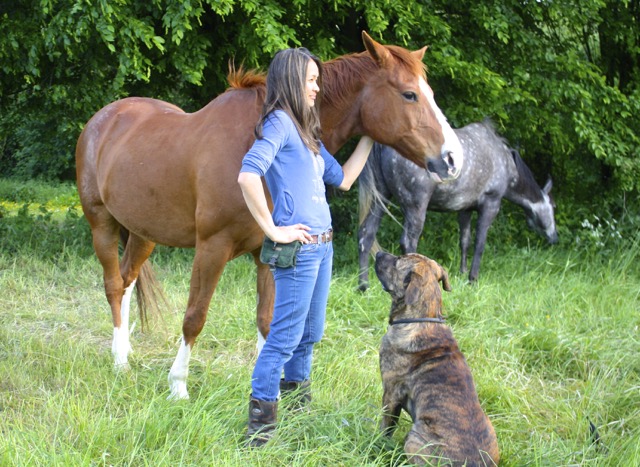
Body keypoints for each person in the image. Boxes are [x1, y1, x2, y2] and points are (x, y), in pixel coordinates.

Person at [237, 47, 373, 447]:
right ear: (292, 81)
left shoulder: (308, 134)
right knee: (283, 338)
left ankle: (296, 411)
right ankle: (259, 433)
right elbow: (248, 175)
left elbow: (344, 179)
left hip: (324, 248)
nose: (316, 87)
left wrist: (370, 136)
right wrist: (273, 229)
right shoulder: (278, 123)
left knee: (309, 334)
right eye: (311, 80)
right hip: (299, 251)